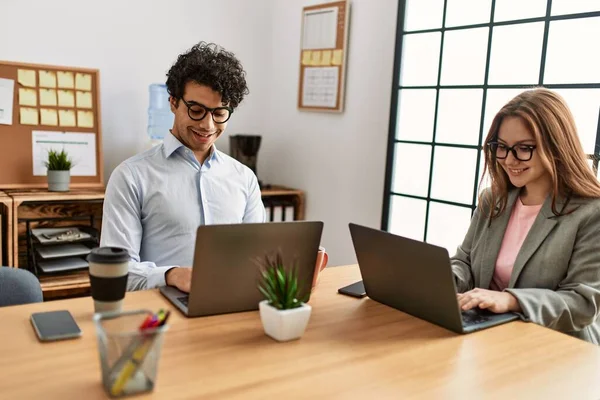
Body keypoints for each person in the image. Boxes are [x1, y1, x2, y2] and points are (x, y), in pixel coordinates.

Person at [100, 42, 265, 293]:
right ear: (173, 103)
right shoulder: (131, 176)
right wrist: (172, 275)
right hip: (160, 315)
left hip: (232, 308)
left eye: (220, 114)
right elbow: (116, 272)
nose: (208, 125)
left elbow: (257, 258)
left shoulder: (244, 178)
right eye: (197, 110)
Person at [451, 88, 600, 344]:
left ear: (555, 147)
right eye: (502, 147)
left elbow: (582, 302)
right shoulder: (493, 201)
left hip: (559, 348)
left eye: (524, 148)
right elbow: (464, 262)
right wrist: (438, 283)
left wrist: (512, 300)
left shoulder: (591, 213)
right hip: (490, 336)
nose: (509, 160)